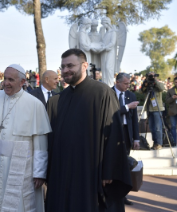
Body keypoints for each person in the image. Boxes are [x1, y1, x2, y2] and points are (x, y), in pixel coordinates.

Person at [45, 49, 131, 212]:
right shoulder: (61, 98)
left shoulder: (103, 93)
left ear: (84, 65)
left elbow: (113, 134)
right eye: (63, 67)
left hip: (91, 172)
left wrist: (109, 171)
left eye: (70, 65)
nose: (65, 71)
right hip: (64, 171)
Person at [0, 64, 51, 212]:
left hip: (21, 163)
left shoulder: (35, 105)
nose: (6, 83)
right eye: (5, 78)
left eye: (11, 79)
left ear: (22, 82)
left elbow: (40, 142)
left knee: (18, 204)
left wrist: (39, 172)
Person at [113, 73, 140, 206]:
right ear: (117, 82)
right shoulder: (109, 94)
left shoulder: (131, 95)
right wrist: (127, 107)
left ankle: (123, 195)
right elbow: (111, 112)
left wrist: (136, 138)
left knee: (126, 165)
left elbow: (134, 119)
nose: (128, 86)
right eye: (125, 83)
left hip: (126, 133)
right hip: (113, 133)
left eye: (129, 83)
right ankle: (112, 193)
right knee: (113, 163)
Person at [141, 71, 165, 150]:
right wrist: (145, 82)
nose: (151, 77)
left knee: (158, 127)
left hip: (157, 109)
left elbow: (162, 88)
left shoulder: (158, 84)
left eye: (153, 75)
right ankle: (155, 143)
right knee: (151, 127)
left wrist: (154, 80)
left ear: (155, 76)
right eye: (149, 76)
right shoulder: (147, 84)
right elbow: (141, 91)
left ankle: (159, 143)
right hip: (149, 108)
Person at [166, 77, 177, 147]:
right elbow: (167, 101)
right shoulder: (170, 91)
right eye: (176, 82)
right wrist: (172, 98)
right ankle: (174, 142)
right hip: (173, 112)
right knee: (173, 127)